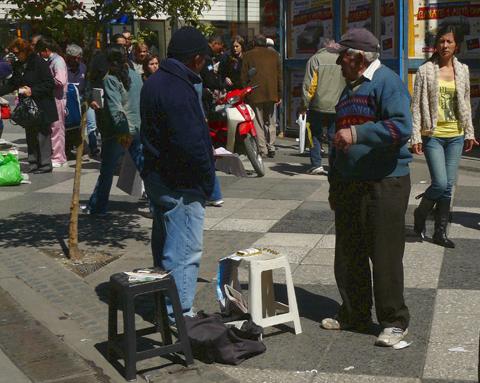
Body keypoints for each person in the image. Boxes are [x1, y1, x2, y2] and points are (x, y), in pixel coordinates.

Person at [323, 28, 412, 347]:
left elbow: (402, 127)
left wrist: (358, 135)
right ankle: (355, 312)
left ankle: (394, 321)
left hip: (384, 183)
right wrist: (334, 184)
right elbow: (337, 140)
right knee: (349, 252)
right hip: (350, 183)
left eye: (341, 57)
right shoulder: (349, 88)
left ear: (358, 58)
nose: (337, 63)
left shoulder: (387, 83)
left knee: (384, 253)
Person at [140, 27, 215, 319]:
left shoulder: (156, 82)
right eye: (204, 60)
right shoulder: (177, 89)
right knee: (183, 251)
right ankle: (178, 315)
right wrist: (207, 181)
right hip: (180, 182)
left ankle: (164, 305)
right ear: (196, 59)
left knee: (165, 246)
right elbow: (191, 144)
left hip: (160, 178)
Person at [411, 25, 478, 249]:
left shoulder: (463, 70)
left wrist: (469, 132)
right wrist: (416, 137)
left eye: (449, 42)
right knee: (439, 183)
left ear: (456, 45)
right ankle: (420, 215)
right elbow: (416, 107)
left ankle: (440, 232)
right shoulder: (425, 71)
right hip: (434, 136)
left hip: (456, 135)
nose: (444, 45)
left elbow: (466, 103)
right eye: (441, 41)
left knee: (448, 186)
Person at [83, 44, 143, 214]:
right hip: (136, 128)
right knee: (143, 167)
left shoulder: (110, 79)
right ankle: (156, 204)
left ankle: (98, 206)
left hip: (120, 131)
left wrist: (122, 132)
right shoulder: (136, 76)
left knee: (107, 170)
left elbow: (116, 108)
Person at [0, 38, 57, 173]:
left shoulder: (39, 63)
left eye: (18, 52)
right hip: (28, 107)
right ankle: (33, 162)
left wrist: (32, 90)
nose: (16, 55)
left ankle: (45, 163)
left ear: (25, 51)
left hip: (42, 105)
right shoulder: (18, 65)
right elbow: (14, 83)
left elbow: (50, 84)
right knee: (30, 133)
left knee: (42, 135)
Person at [300, 38, 345, 175]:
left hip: (317, 105)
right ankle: (334, 165)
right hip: (338, 104)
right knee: (334, 136)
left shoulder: (315, 59)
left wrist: (304, 104)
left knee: (314, 134)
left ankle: (316, 164)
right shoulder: (342, 59)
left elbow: (310, 85)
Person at [241, 34, 282, 158]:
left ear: (254, 43)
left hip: (255, 93)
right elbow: (279, 76)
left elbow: (243, 76)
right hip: (272, 92)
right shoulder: (275, 55)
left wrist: (245, 91)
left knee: (258, 121)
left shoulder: (248, 55)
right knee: (270, 120)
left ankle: (262, 148)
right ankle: (272, 146)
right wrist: (279, 93)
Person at [36, 37, 68, 168]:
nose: (39, 55)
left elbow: (60, 81)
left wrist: (46, 80)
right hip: (52, 98)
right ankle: (55, 155)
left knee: (57, 128)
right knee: (53, 127)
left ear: (46, 50)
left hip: (58, 98)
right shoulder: (52, 61)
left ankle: (59, 157)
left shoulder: (58, 61)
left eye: (40, 52)